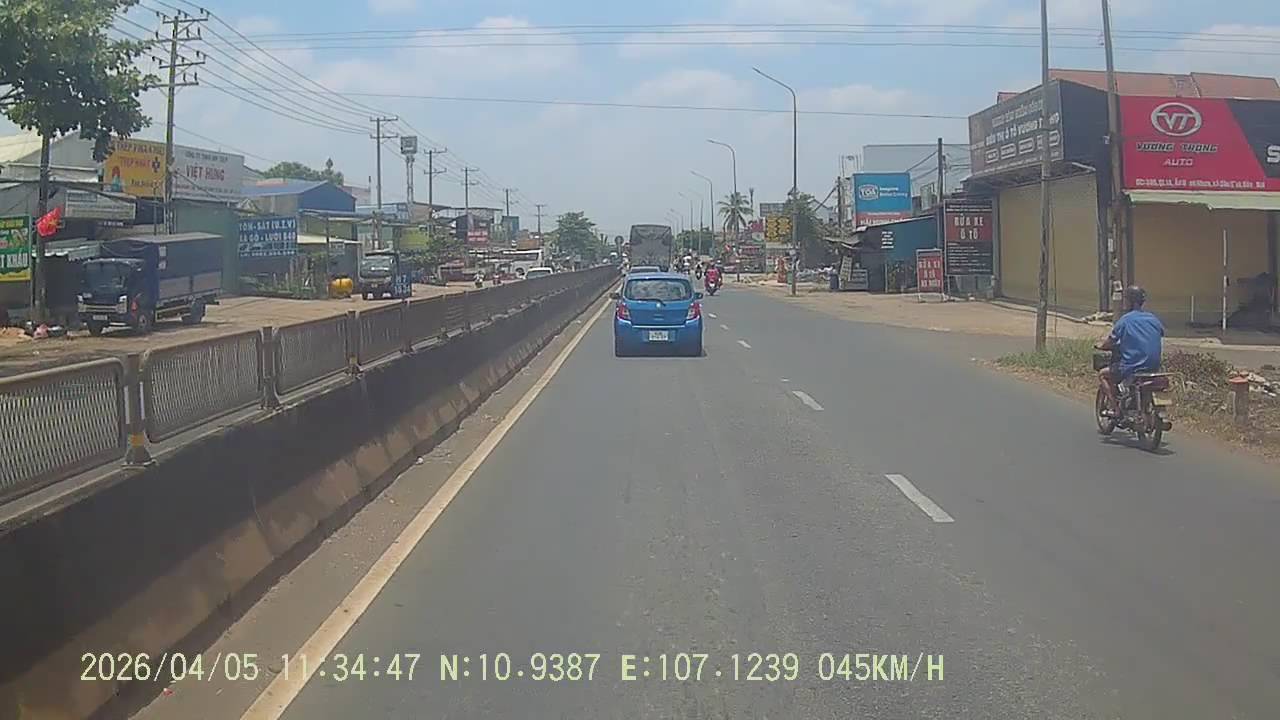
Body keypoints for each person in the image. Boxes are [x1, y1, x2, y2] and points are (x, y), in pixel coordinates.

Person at [1095, 285, 1164, 416]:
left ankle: (1115, 409)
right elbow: (1160, 333)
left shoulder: (1125, 320)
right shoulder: (1153, 319)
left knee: (1102, 374)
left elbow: (1111, 341)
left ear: (1129, 301)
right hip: (1153, 367)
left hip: (1132, 367)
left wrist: (1101, 346)